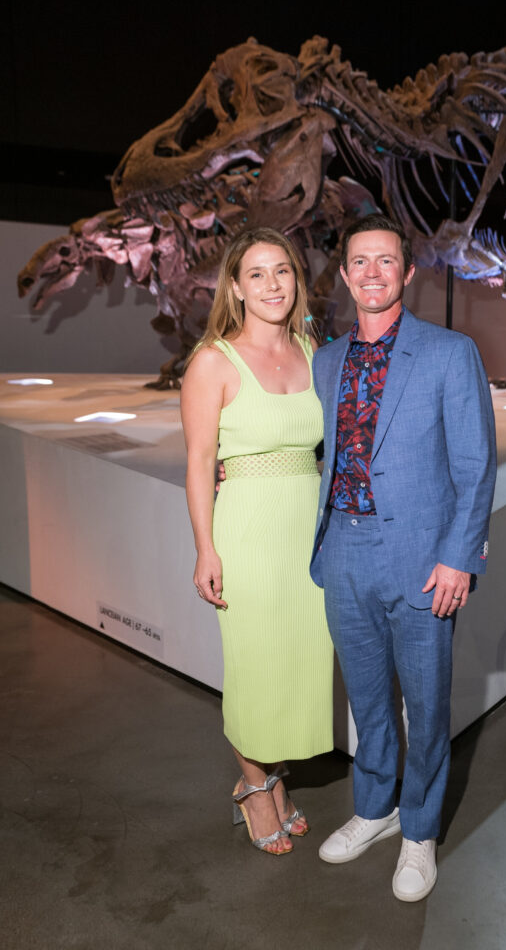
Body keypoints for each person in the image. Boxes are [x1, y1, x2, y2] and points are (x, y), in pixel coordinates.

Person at [311, 213, 496, 900]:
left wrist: (459, 557)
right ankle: (374, 808)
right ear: (344, 273)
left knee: (425, 702)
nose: (372, 273)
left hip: (423, 560)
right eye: (359, 261)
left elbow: (476, 464)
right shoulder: (326, 360)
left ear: (408, 272)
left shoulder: (450, 352)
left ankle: (418, 829)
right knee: (367, 700)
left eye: (385, 260)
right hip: (344, 551)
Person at [181, 226, 333, 856]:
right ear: (236, 288)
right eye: (257, 274)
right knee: (252, 666)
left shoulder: (312, 349)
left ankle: (275, 777)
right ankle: (254, 788)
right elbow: (198, 463)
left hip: (307, 527)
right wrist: (205, 548)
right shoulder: (213, 361)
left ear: (296, 280)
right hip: (247, 528)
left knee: (295, 661)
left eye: (283, 271)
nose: (273, 284)